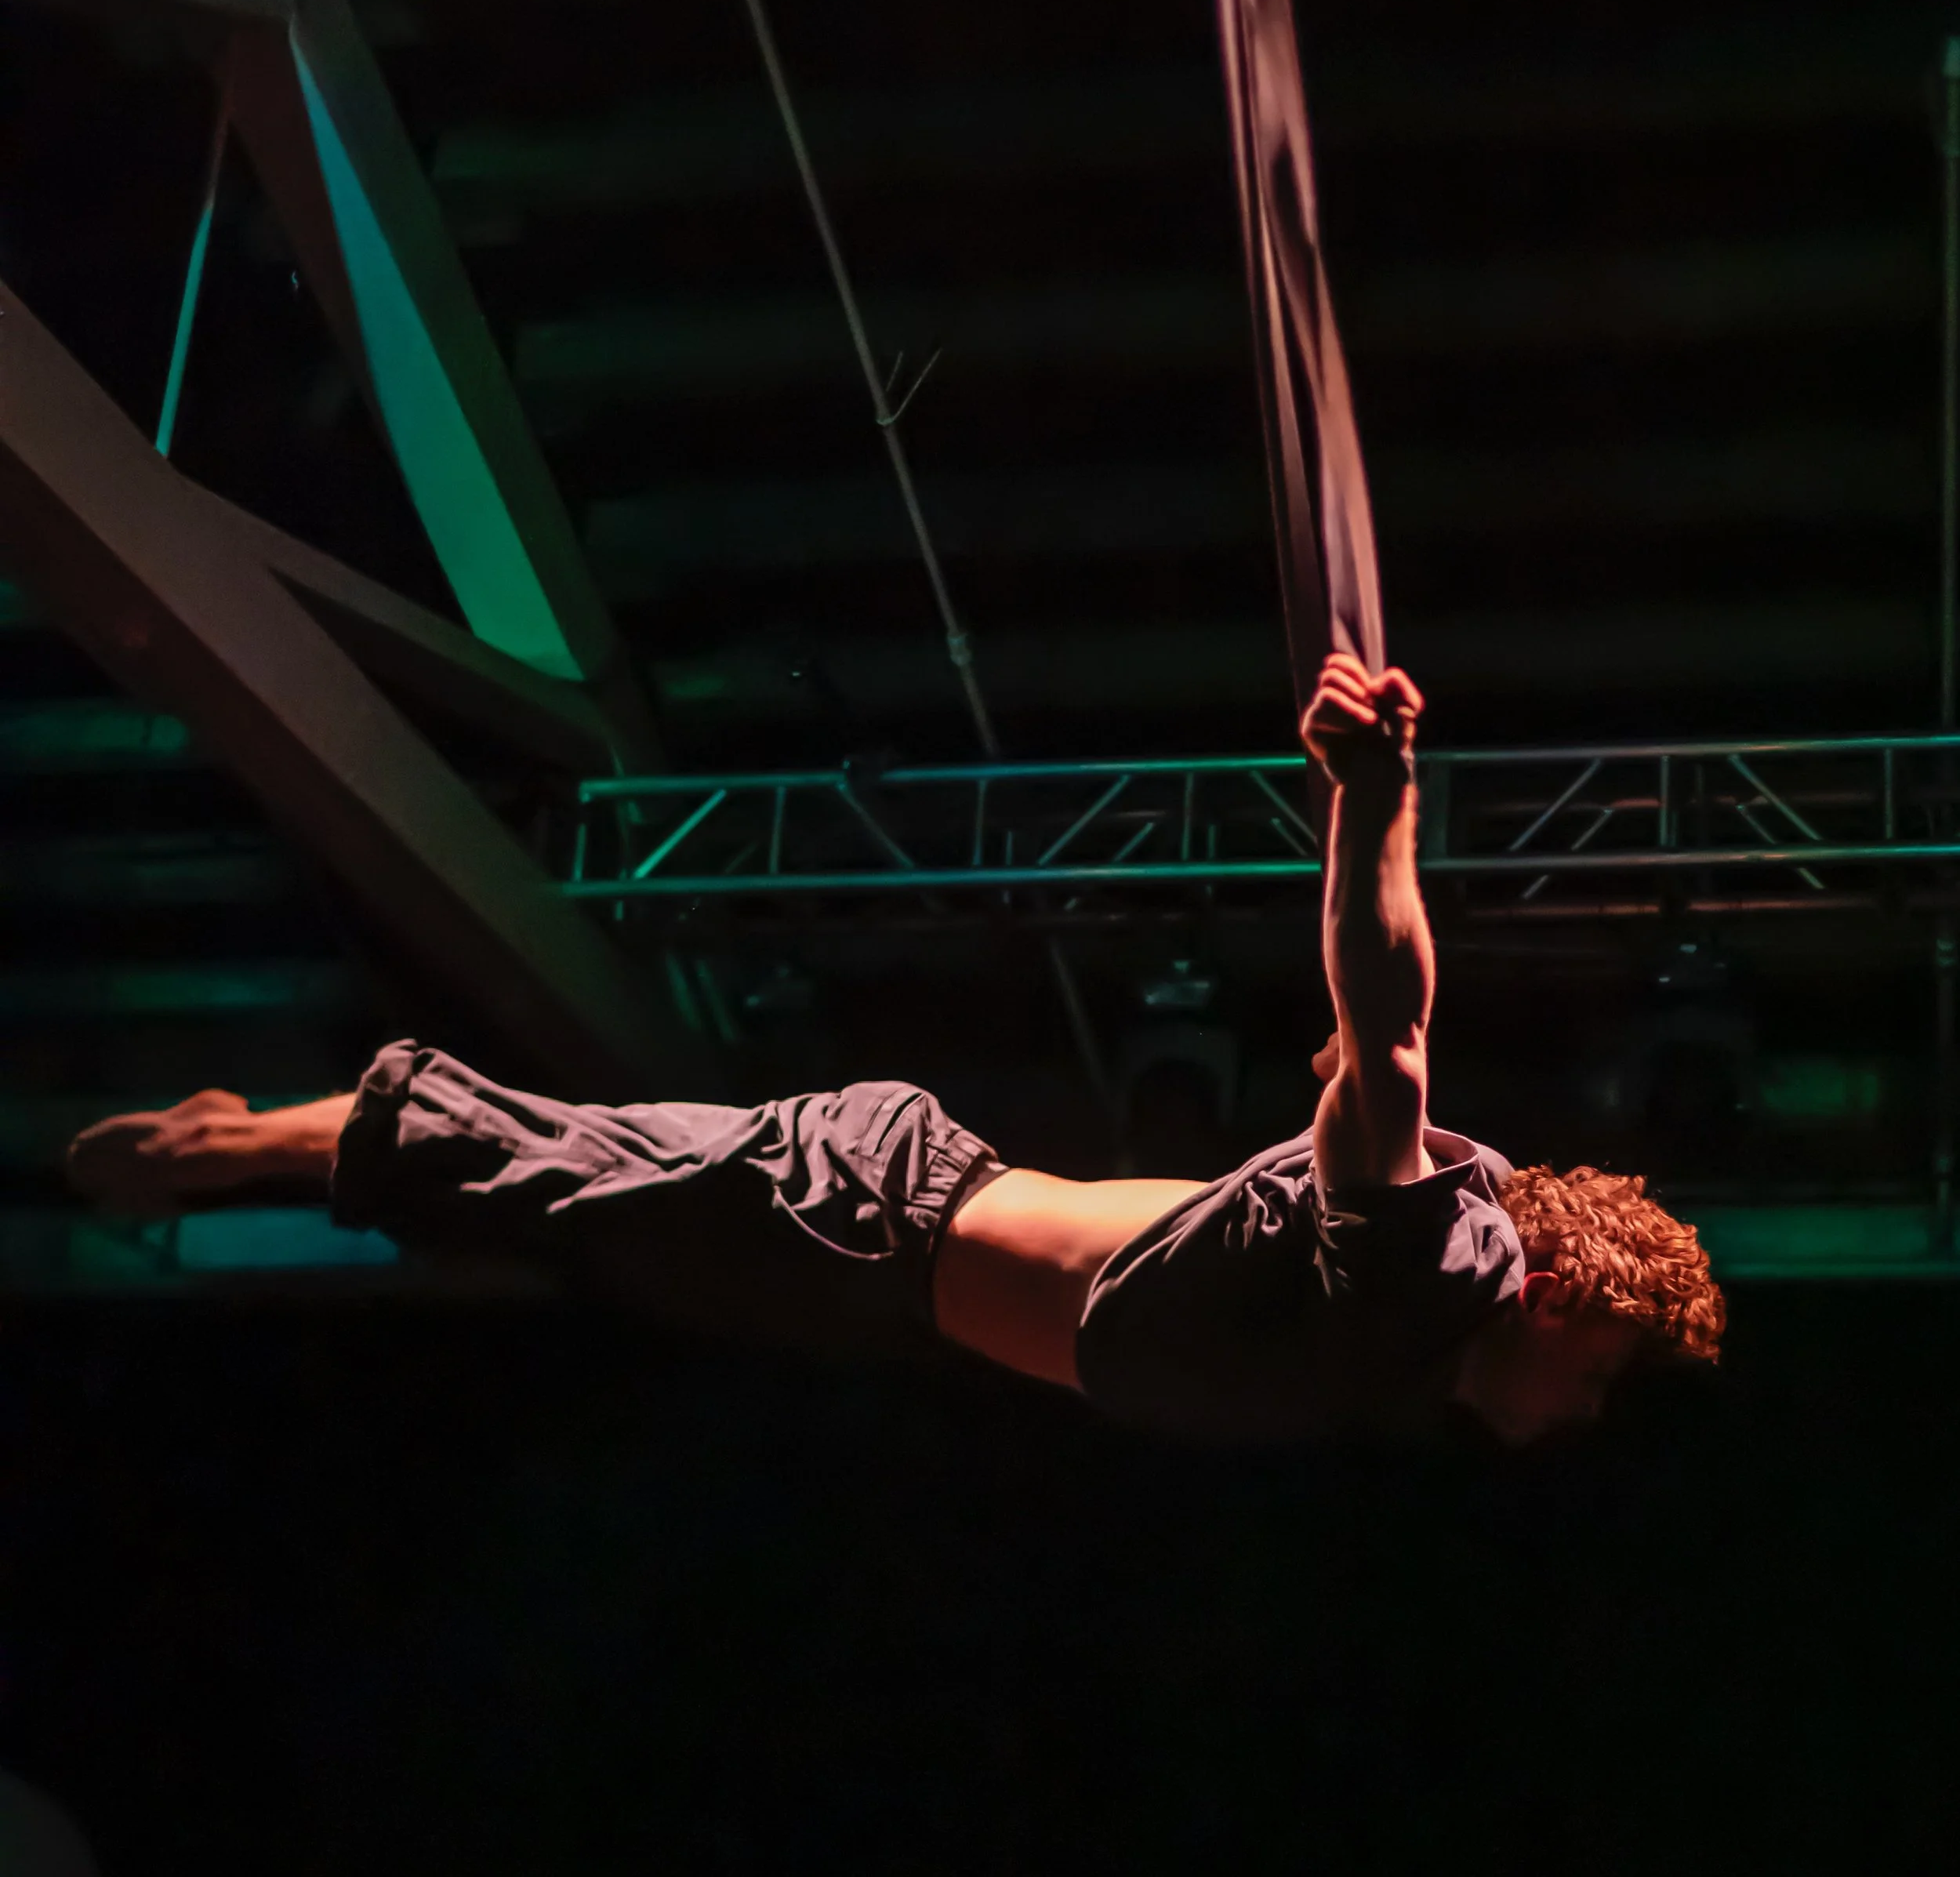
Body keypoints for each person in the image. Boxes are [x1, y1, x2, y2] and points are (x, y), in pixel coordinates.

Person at [65, 655, 1722, 1448]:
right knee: (553, 1181)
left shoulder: (1408, 1318)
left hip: (878, 1270)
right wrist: (1374, 801)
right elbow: (1389, 1040)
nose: (1578, 1420)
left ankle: (271, 1129)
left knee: (573, 1200)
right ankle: (239, 1144)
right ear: (1565, 1305)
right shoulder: (1440, 1254)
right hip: (872, 1208)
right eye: (1596, 1383)